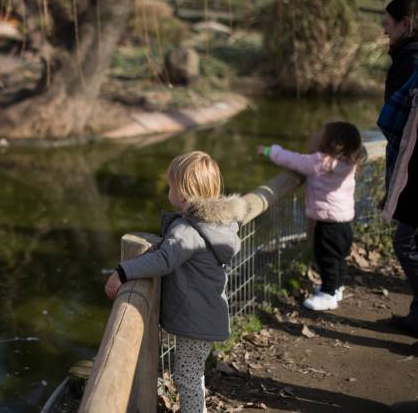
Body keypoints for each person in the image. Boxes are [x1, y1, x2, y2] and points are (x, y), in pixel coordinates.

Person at [104, 151, 246, 413]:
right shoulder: (217, 224)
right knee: (192, 374)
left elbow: (164, 260)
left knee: (186, 377)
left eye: (170, 185)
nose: (167, 190)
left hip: (197, 321)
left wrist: (123, 272)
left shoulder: (188, 231)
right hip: (206, 314)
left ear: (182, 195)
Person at [258, 122, 364, 311]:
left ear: (330, 142)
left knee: (327, 260)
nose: (315, 134)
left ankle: (328, 295)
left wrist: (270, 151)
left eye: (320, 133)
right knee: (338, 259)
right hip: (345, 223)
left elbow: (292, 159)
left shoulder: (320, 162)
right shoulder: (349, 161)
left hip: (328, 224)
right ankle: (336, 288)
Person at [377, 0, 418, 337]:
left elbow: (397, 128)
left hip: (412, 172)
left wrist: (396, 188)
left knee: (406, 242)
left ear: (407, 24)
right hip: (407, 170)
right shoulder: (405, 57)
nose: (383, 30)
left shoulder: (410, 61)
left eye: (388, 24)